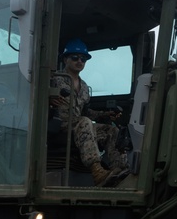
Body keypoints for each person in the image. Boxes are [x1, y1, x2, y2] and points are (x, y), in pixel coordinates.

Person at [50, 39, 127, 186]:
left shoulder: (84, 87)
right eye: (75, 57)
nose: (79, 61)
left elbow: (86, 112)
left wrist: (104, 114)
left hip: (78, 124)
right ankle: (97, 170)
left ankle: (118, 170)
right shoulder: (54, 79)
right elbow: (37, 96)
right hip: (60, 124)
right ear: (65, 59)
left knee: (111, 130)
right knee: (84, 122)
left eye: (83, 59)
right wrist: (49, 100)